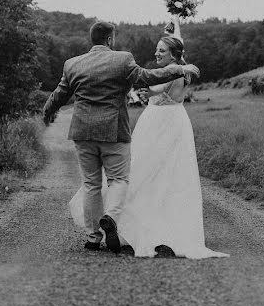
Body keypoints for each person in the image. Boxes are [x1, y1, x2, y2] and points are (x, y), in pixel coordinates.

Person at [69, 18, 228, 259]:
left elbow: (157, 86)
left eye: (162, 50)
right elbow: (156, 82)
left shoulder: (176, 75)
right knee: (149, 172)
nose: (157, 53)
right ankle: (130, 220)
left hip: (165, 124)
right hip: (160, 122)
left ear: (174, 55)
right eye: (156, 49)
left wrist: (154, 84)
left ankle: (142, 225)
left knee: (154, 173)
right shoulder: (177, 71)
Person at [43, 21, 201, 253]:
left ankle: (93, 238)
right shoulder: (123, 59)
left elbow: (59, 94)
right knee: (118, 179)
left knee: (91, 184)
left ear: (92, 39)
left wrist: (47, 112)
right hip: (113, 131)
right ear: (110, 39)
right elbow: (147, 76)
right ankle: (110, 217)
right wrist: (180, 68)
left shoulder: (72, 64)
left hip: (83, 131)